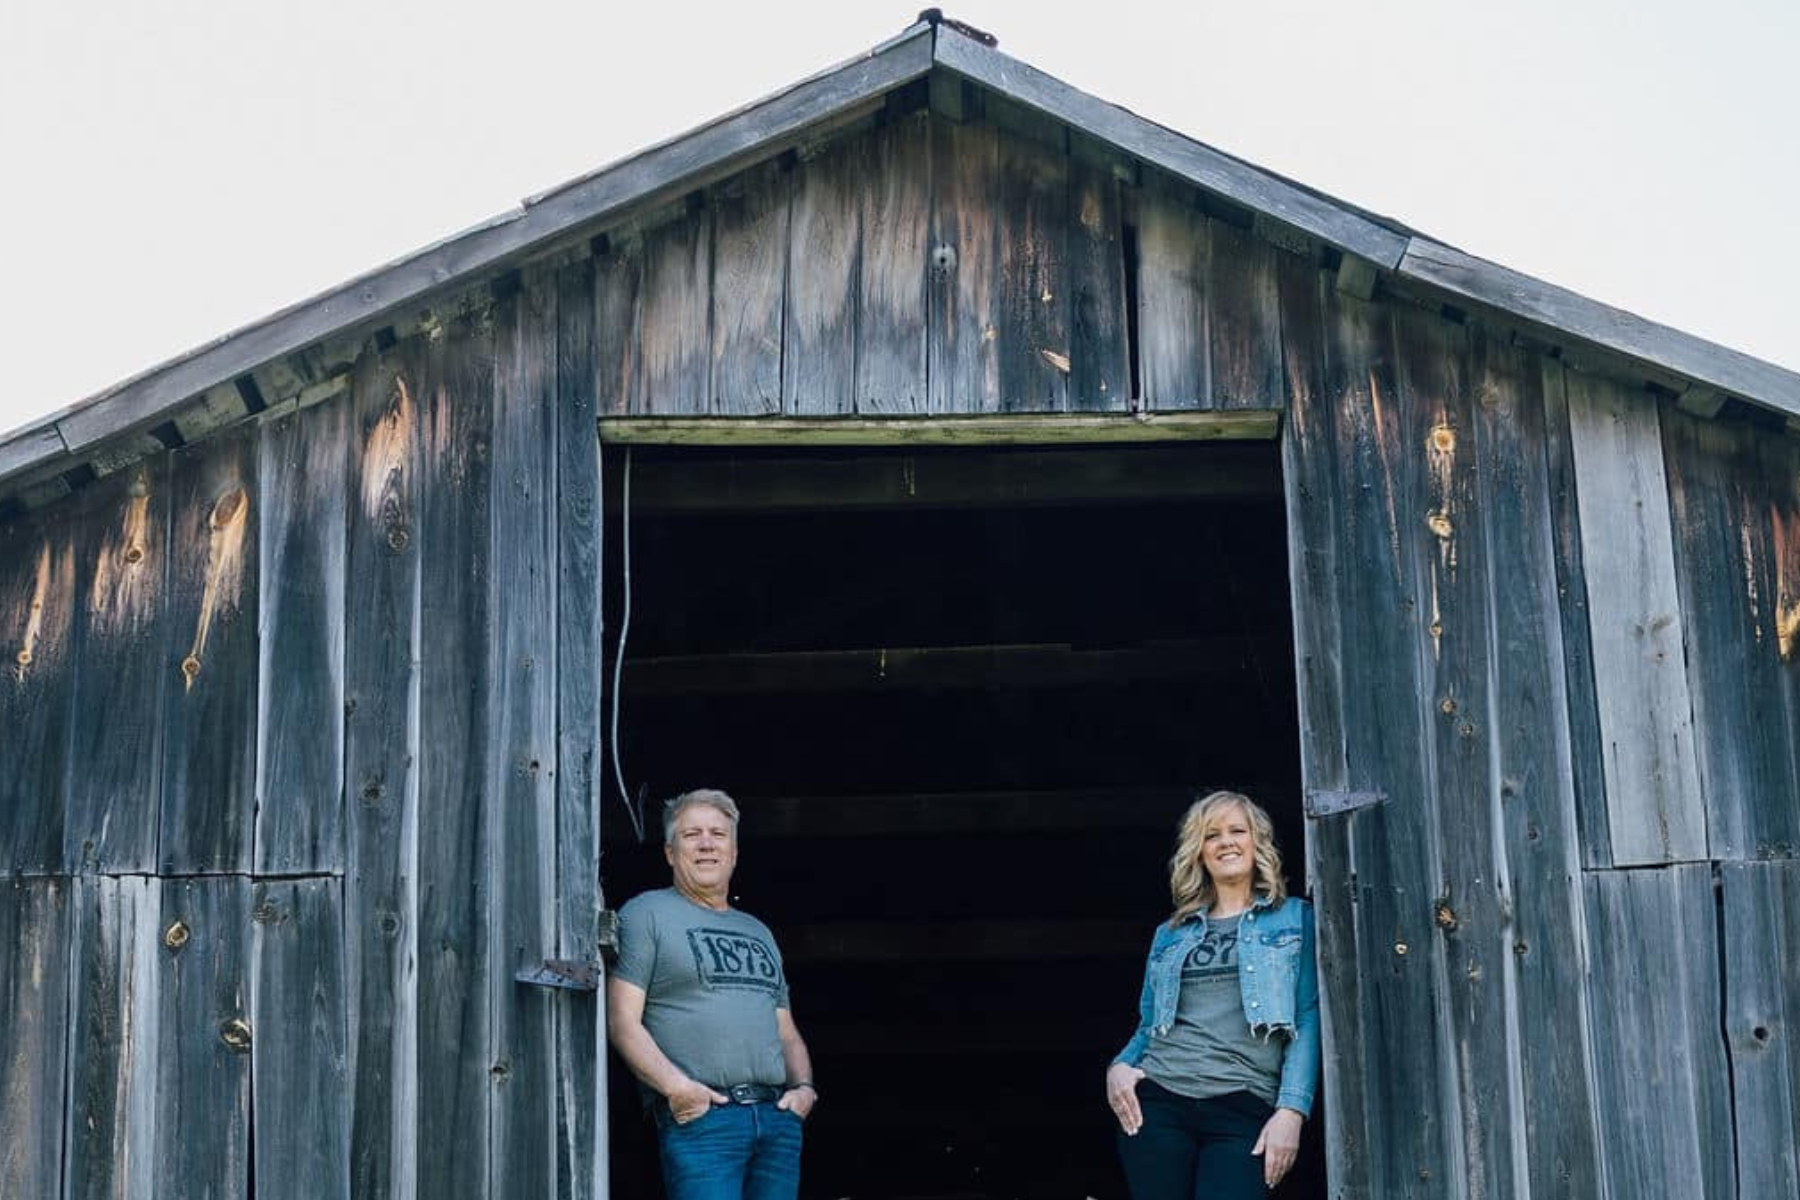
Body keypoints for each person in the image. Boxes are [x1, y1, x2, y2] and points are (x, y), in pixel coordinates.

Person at [1105, 791, 1320, 1197]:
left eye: (1237, 831)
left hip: (1244, 1105)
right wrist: (1118, 1067)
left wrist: (1292, 1110)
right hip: (1161, 1100)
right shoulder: (1170, 934)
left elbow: (1307, 1019)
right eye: (1211, 835)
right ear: (1199, 852)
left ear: (1257, 843)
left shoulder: (1295, 919)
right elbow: (1149, 1025)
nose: (1226, 842)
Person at [608, 789, 818, 1200]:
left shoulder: (758, 931)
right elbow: (621, 1020)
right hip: (705, 1120)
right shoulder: (646, 913)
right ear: (670, 852)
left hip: (776, 1120)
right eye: (692, 835)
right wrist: (676, 1089)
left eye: (718, 834)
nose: (706, 843)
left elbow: (785, 1029)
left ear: (734, 852)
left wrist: (805, 1090)